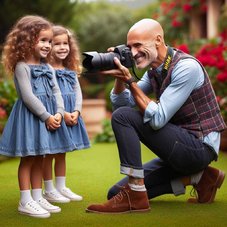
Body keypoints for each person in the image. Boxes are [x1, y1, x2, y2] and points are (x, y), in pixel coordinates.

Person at [86, 18, 226, 214]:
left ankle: (136, 192)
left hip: (199, 147)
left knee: (123, 117)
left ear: (158, 40)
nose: (133, 53)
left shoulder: (186, 67)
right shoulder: (154, 70)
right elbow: (122, 103)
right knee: (115, 193)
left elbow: (158, 118)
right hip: (179, 145)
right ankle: (199, 178)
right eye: (129, 47)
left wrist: (131, 82)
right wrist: (120, 79)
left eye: (138, 45)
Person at [0, 15, 75, 218]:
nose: (47, 45)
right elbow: (27, 96)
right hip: (31, 118)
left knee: (40, 156)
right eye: (43, 40)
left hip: (48, 117)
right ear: (26, 40)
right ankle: (25, 200)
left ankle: (37, 195)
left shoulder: (48, 67)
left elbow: (57, 91)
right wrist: (46, 116)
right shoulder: (21, 67)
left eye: (49, 41)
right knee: (28, 158)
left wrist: (59, 113)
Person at [42, 25, 90, 203]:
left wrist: (77, 111)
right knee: (49, 152)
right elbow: (48, 95)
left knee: (62, 152)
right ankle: (48, 189)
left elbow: (78, 92)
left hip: (71, 115)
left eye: (65, 43)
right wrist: (64, 113)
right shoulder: (45, 69)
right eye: (57, 44)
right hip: (55, 115)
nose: (62, 47)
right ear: (48, 46)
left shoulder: (70, 68)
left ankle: (61, 186)